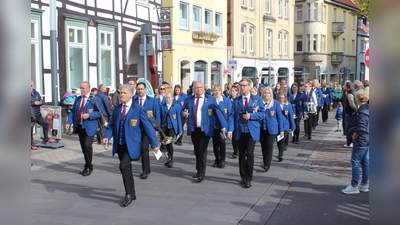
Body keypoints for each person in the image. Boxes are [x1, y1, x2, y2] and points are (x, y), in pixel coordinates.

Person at [103, 84, 159, 207]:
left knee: (123, 166)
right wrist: (107, 136)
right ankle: (132, 193)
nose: (121, 95)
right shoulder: (117, 109)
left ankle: (128, 194)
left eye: (123, 93)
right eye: (120, 93)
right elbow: (111, 125)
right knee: (126, 169)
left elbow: (148, 128)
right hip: (120, 144)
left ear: (130, 95)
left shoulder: (138, 109)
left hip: (132, 144)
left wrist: (155, 144)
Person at [182, 81, 227, 182]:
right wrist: (183, 113)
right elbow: (183, 109)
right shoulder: (189, 99)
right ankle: (198, 169)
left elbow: (217, 112)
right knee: (197, 150)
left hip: (205, 129)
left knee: (202, 150)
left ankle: (201, 173)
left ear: (204, 88)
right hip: (194, 128)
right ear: (193, 89)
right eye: (196, 88)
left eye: (200, 87)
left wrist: (223, 126)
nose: (198, 89)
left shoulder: (210, 99)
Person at [227, 78, 265, 188]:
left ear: (249, 86)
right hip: (240, 129)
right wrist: (230, 130)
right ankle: (243, 175)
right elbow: (232, 116)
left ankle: (249, 177)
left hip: (251, 130)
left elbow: (263, 114)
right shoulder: (237, 100)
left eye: (244, 85)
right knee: (242, 153)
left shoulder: (257, 100)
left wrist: (251, 116)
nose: (242, 87)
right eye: (240, 85)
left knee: (250, 153)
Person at [65, 81, 106, 176]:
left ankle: (89, 166)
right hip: (80, 126)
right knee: (83, 147)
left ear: (88, 88)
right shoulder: (78, 99)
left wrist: (90, 115)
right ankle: (87, 164)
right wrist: (69, 122)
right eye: (81, 88)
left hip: (90, 126)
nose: (81, 90)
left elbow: (101, 112)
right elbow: (73, 112)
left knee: (87, 145)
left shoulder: (94, 99)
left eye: (83, 88)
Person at [342, 89, 369, 194]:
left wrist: (354, 135)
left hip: (361, 139)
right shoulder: (368, 109)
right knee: (365, 162)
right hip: (367, 139)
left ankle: (354, 185)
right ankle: (364, 184)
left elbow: (362, 127)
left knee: (355, 161)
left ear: (358, 98)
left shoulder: (362, 111)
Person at [133, 82, 160, 179]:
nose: (140, 91)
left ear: (145, 90)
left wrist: (156, 129)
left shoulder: (152, 101)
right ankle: (147, 168)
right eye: (138, 89)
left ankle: (145, 170)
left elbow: (157, 116)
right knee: (140, 149)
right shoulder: (133, 101)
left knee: (144, 148)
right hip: (137, 129)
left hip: (148, 129)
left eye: (141, 89)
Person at [260, 87, 284, 171]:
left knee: (269, 146)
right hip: (262, 128)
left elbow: (279, 117)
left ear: (271, 94)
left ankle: (267, 164)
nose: (266, 94)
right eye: (265, 93)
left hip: (272, 128)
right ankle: (264, 161)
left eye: (268, 93)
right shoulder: (260, 103)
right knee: (263, 146)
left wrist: (281, 130)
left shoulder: (275, 103)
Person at [211, 84, 233, 169]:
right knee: (215, 144)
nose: (217, 92)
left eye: (218, 90)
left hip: (222, 127)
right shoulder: (211, 101)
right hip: (214, 126)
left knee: (222, 143)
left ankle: (222, 160)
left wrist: (228, 127)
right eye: (215, 90)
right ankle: (217, 159)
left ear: (221, 91)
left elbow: (230, 114)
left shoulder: (226, 101)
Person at [160, 91, 182, 168]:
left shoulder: (176, 106)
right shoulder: (162, 106)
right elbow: (160, 118)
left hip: (172, 127)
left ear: (172, 98)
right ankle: (169, 159)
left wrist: (180, 130)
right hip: (164, 127)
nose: (167, 99)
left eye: (169, 97)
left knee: (169, 142)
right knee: (165, 143)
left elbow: (179, 119)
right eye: (166, 97)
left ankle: (171, 158)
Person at [31, 81, 55, 147]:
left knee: (45, 124)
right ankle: (31, 144)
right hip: (30, 115)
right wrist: (33, 103)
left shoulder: (36, 93)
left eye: (30, 86)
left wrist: (40, 102)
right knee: (30, 129)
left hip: (38, 114)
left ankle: (46, 139)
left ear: (33, 86)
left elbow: (41, 101)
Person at [276, 92, 296, 160]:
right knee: (278, 141)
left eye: (282, 98)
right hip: (277, 125)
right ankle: (280, 152)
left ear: (284, 98)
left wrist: (293, 126)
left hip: (285, 125)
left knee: (282, 140)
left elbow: (290, 116)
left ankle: (280, 155)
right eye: (279, 98)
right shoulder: (276, 105)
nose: (281, 99)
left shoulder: (288, 105)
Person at [228, 85, 240, 158]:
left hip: (237, 120)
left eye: (233, 91)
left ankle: (238, 150)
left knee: (237, 136)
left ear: (236, 92)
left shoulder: (238, 100)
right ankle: (235, 150)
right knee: (233, 137)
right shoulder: (228, 100)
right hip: (231, 119)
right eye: (231, 91)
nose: (232, 92)